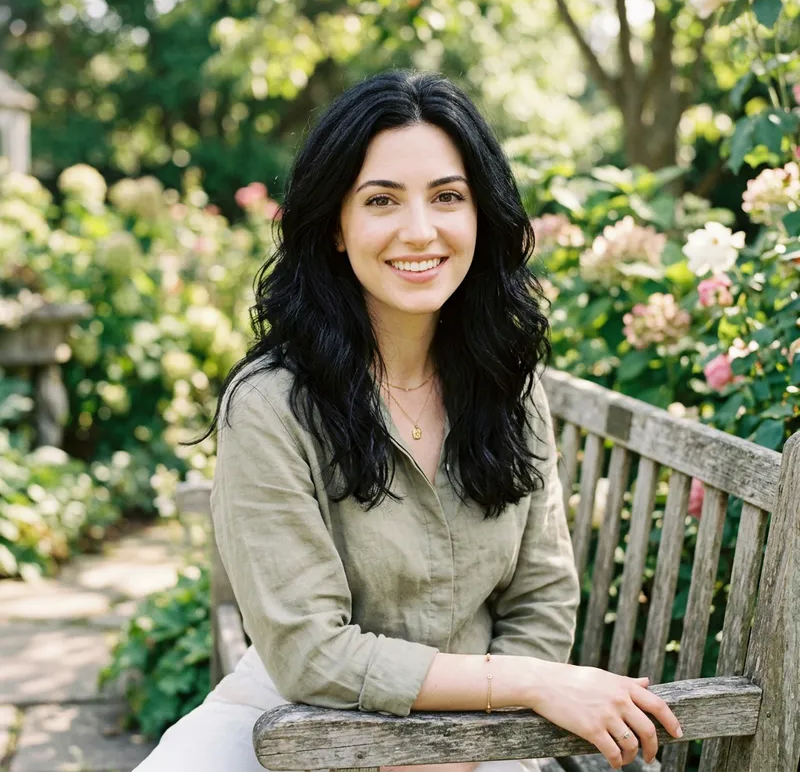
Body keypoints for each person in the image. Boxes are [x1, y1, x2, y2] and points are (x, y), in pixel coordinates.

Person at [134, 70, 682, 772]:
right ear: (336, 224)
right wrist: (520, 685)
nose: (419, 230)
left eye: (448, 197)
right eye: (382, 200)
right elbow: (310, 654)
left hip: (485, 731)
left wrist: (468, 744)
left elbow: (541, 598)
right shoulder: (271, 405)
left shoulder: (508, 386)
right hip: (296, 719)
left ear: (480, 215)